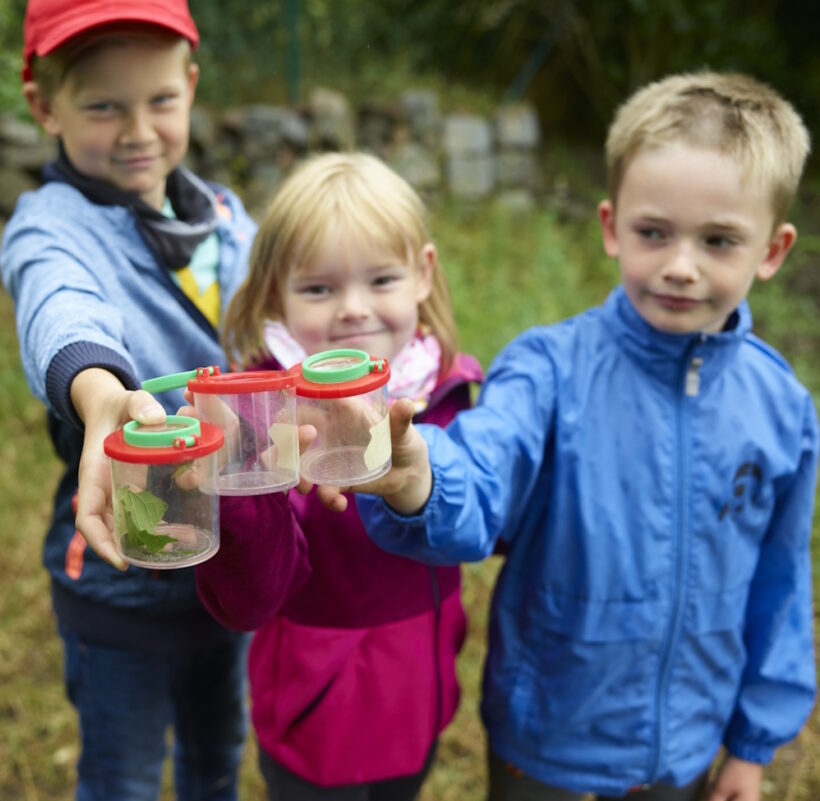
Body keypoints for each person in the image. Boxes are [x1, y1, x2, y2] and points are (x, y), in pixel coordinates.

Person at [349, 72, 818, 801]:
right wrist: (417, 474)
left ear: (772, 249)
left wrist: (751, 745)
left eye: (719, 239)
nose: (681, 265)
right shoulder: (548, 370)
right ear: (610, 225)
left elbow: (779, 584)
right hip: (545, 747)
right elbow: (481, 463)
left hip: (688, 747)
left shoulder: (781, 406)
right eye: (653, 232)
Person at [0, 1, 257, 798]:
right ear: (46, 106)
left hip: (229, 566)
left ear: (192, 87)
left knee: (217, 758)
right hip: (121, 585)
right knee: (125, 776)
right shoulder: (53, 226)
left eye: (160, 101)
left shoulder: (226, 218)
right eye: (104, 105)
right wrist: (100, 389)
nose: (137, 129)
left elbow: (279, 321)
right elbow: (59, 301)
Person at [189, 152, 485, 801]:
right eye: (319, 288)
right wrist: (247, 493)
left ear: (422, 275)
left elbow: (481, 523)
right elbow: (248, 598)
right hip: (313, 710)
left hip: (417, 693)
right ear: (275, 293)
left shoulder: (449, 389)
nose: (353, 310)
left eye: (381, 279)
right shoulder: (258, 414)